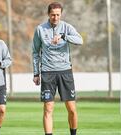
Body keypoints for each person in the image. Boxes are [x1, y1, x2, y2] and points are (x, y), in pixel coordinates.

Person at [32, 2, 83, 135]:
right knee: (48, 107)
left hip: (65, 71)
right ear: (48, 14)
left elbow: (80, 40)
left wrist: (63, 36)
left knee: (71, 108)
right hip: (48, 72)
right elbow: (35, 52)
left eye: (58, 15)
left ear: (61, 14)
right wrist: (36, 73)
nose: (55, 17)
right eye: (53, 15)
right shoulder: (40, 29)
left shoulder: (67, 27)